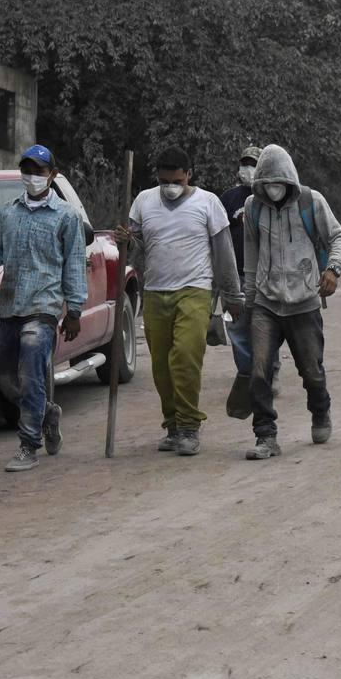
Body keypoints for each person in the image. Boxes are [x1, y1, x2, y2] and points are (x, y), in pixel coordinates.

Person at [119, 146, 243, 456]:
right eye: (164, 180)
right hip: (156, 293)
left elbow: (223, 254)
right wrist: (125, 241)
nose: (170, 186)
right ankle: (172, 425)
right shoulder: (143, 201)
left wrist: (232, 296)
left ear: (189, 175)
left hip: (195, 291)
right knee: (161, 366)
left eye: (176, 179)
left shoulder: (208, 203)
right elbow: (135, 245)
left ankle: (189, 426)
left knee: (185, 357)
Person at [241, 145, 341, 459]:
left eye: (278, 182)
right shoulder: (253, 207)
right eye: (266, 183)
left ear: (290, 180)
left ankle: (320, 411)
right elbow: (250, 253)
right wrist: (249, 298)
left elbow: (339, 238)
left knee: (312, 371)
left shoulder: (311, 202)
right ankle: (265, 436)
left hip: (304, 301)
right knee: (259, 370)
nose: (272, 188)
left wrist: (333, 269)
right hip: (266, 300)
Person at [0, 145, 87, 473]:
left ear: (52, 175)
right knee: (5, 379)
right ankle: (47, 413)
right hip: (10, 305)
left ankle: (28, 444)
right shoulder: (8, 213)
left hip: (43, 307)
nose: (32, 176)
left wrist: (74, 310)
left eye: (39, 171)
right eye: (27, 169)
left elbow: (74, 264)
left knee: (30, 373)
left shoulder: (65, 216)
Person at [219, 146, 280, 395]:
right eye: (244, 163)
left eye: (253, 163)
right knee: (237, 326)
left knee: (268, 324)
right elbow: (219, 235)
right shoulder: (229, 198)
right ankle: (247, 373)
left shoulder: (273, 196)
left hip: (266, 273)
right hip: (235, 274)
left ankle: (270, 371)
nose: (248, 169)